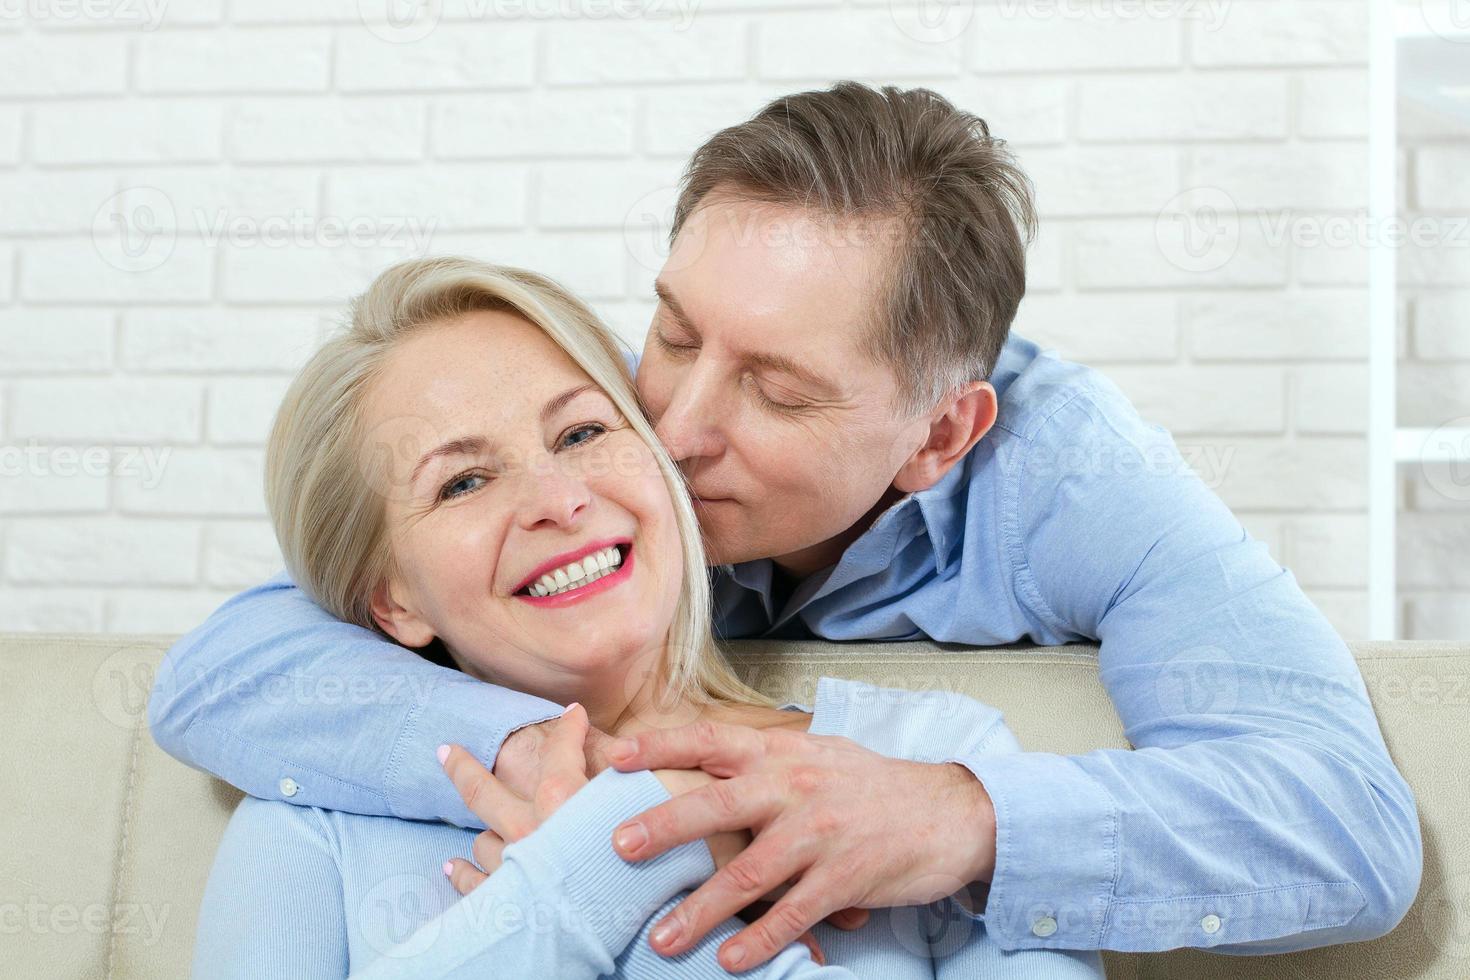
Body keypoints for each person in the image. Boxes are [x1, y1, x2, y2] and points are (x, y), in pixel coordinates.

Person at [153, 83, 1421, 974]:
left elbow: (1346, 824)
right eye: (676, 333)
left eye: (773, 389)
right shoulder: (592, 441)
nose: (672, 425)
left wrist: (963, 817)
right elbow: (243, 657)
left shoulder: (1081, 484)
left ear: (938, 437)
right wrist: (605, 770)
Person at [187, 255, 1105, 978]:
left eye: (583, 432)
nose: (559, 498)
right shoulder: (309, 821)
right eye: (463, 480)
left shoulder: (934, 763)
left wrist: (603, 860)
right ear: (393, 601)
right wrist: (632, 844)